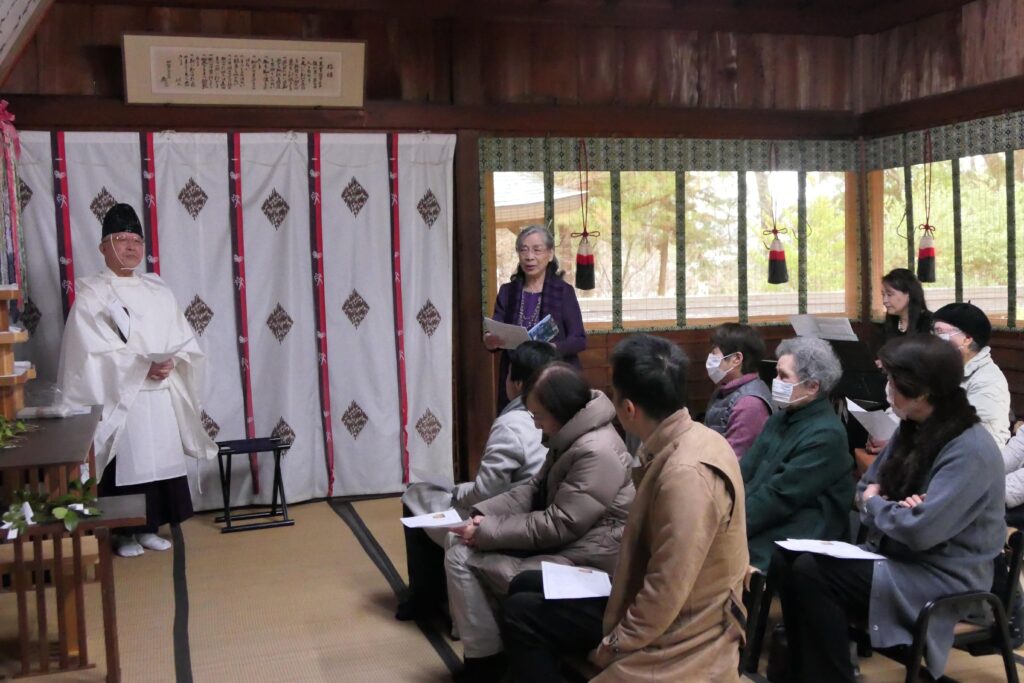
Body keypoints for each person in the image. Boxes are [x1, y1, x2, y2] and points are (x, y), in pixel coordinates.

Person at [500, 334, 749, 682]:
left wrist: (612, 647)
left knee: (521, 614)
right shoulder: (693, 438)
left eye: (613, 396)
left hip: (685, 627)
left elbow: (665, 592)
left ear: (628, 409)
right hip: (641, 588)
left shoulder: (685, 476)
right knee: (525, 585)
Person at [773, 334, 1006, 681]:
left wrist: (881, 506)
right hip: (895, 555)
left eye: (892, 381)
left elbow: (920, 530)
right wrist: (892, 508)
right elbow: (864, 491)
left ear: (921, 391)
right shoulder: (913, 428)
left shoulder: (969, 448)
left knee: (814, 571)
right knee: (784, 559)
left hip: (941, 576)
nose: (886, 388)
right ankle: (807, 671)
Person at [444, 363, 634, 682]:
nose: (535, 424)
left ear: (560, 412)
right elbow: (535, 490)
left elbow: (559, 523)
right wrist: (480, 515)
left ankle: (486, 662)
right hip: (570, 545)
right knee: (460, 545)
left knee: (465, 559)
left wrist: (486, 532)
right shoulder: (572, 435)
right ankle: (488, 656)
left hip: (591, 560)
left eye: (538, 416)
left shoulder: (595, 450)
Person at [57, 204, 216, 557]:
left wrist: (172, 360)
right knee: (125, 463)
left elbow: (183, 335)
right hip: (122, 393)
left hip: (160, 389)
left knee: (159, 460)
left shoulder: (159, 290)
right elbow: (90, 353)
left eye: (136, 240)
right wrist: (139, 368)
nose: (130, 247)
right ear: (103, 247)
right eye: (121, 239)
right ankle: (123, 533)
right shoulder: (92, 295)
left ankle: (149, 527)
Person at [395, 341, 558, 621]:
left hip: (508, 516)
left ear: (517, 384)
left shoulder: (513, 423)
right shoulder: (565, 414)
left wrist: (456, 492)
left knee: (414, 495)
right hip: (544, 513)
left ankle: (425, 600)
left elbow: (486, 493)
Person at [741, 336, 853, 570]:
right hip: (770, 518)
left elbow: (779, 497)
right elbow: (745, 472)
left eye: (783, 376)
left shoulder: (826, 434)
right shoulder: (781, 418)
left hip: (804, 533)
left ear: (813, 386)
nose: (775, 381)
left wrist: (729, 526)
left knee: (719, 555)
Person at [484, 225, 586, 407]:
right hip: (516, 381)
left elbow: (579, 339)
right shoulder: (508, 292)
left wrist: (551, 347)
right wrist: (490, 340)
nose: (529, 256)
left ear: (550, 254)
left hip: (553, 380)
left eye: (537, 250)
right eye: (524, 250)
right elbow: (495, 327)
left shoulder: (563, 292)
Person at [932, 302, 1011, 447]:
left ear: (967, 338)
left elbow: (980, 436)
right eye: (934, 332)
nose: (935, 339)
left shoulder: (988, 381)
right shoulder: (945, 368)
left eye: (940, 332)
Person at [704, 323, 773, 460]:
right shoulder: (725, 390)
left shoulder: (750, 404)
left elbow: (735, 461)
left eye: (714, 353)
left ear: (736, 359)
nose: (710, 358)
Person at [880, 267, 933, 341]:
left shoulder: (929, 323)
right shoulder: (890, 323)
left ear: (908, 294)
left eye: (889, 295)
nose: (884, 301)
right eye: (883, 295)